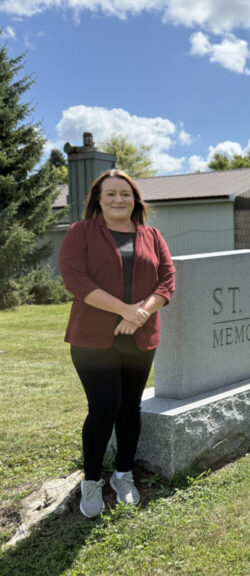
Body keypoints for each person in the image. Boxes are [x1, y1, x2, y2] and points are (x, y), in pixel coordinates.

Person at [59, 169, 175, 518]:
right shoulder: (80, 233)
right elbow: (74, 278)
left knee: (130, 409)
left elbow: (167, 280)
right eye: (110, 194)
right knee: (104, 406)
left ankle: (122, 475)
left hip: (140, 338)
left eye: (125, 193)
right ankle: (91, 480)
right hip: (93, 338)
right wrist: (126, 310)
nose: (118, 200)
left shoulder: (152, 235)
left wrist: (140, 314)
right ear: (98, 199)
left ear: (135, 199)